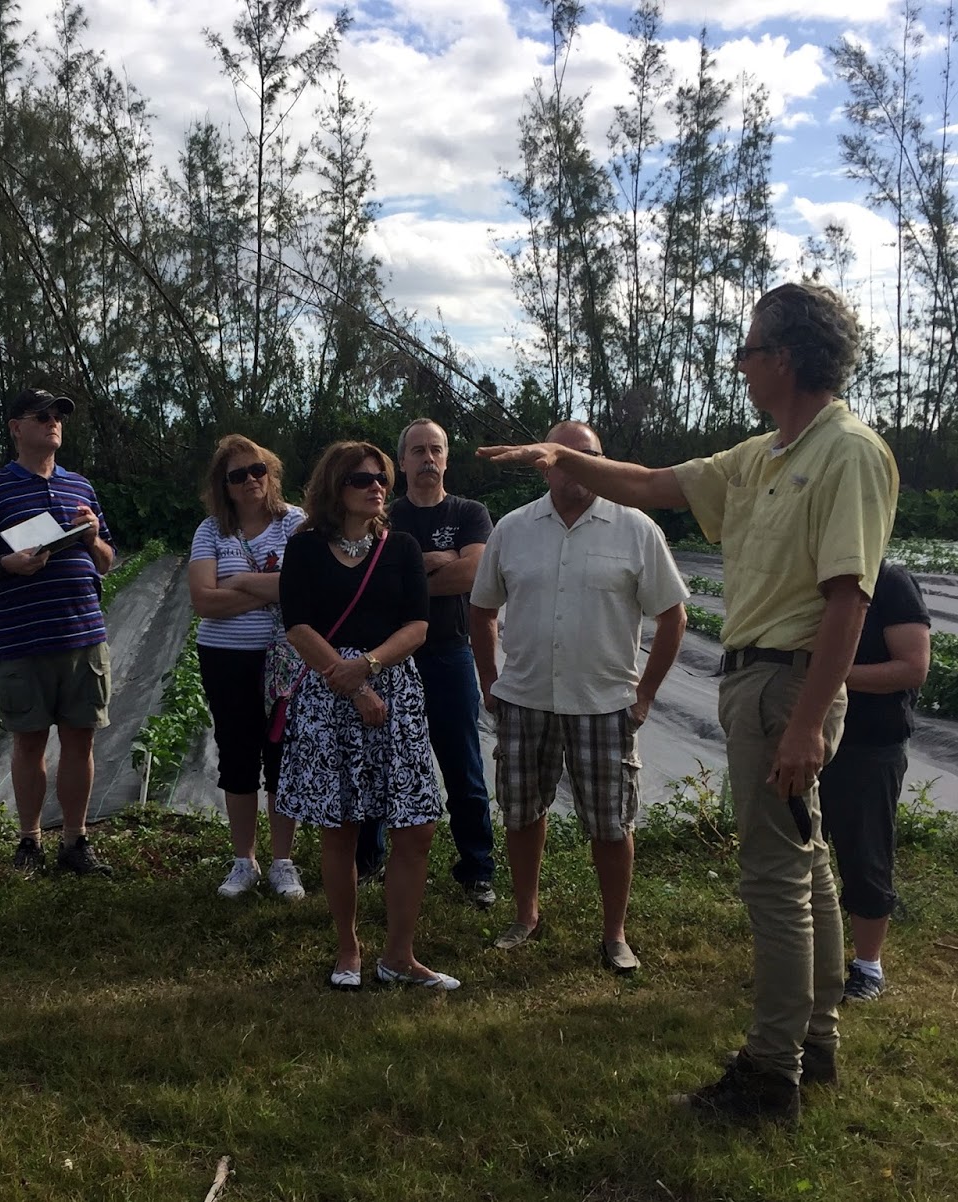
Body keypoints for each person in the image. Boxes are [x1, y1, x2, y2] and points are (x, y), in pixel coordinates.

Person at [479, 280, 897, 1125]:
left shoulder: (846, 451)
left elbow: (849, 599)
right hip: (759, 681)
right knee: (806, 865)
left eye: (747, 351)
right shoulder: (767, 453)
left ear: (781, 358)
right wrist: (561, 459)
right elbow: (652, 482)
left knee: (775, 877)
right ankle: (815, 1044)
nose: (740, 366)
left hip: (788, 684)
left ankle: (769, 1074)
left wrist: (810, 720)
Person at [469, 421, 687, 973]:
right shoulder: (514, 529)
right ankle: (526, 913)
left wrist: (645, 695)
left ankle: (614, 933)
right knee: (521, 813)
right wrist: (488, 678)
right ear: (546, 464)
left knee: (611, 824)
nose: (576, 467)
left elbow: (672, 616)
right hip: (524, 699)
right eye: (564, 457)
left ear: (601, 460)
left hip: (604, 704)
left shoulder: (636, 529)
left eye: (586, 456)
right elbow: (482, 609)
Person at [276, 441, 458, 991]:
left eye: (381, 477)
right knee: (340, 827)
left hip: (394, 692)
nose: (377, 485)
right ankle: (348, 948)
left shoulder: (401, 547)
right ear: (336, 487)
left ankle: (399, 955)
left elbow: (419, 625)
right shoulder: (304, 549)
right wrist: (352, 682)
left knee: (416, 826)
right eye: (362, 478)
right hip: (332, 696)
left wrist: (370, 665)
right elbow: (298, 625)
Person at [0, 386, 117, 876]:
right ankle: (29, 841)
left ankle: (75, 841)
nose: (52, 423)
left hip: (84, 634)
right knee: (28, 742)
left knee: (80, 740)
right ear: (15, 428)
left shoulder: (80, 488)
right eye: (40, 416)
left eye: (58, 416)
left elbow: (107, 561)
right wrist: (7, 564)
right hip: (23, 637)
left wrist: (90, 537)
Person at [359, 418, 497, 907]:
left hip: (449, 652)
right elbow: (372, 582)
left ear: (447, 458)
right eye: (417, 451)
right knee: (377, 760)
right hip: (391, 658)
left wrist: (408, 575)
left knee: (463, 764)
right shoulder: (383, 515)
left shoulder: (470, 512)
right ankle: (368, 861)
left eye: (435, 450)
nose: (427, 459)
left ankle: (477, 869)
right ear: (402, 462)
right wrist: (438, 560)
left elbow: (475, 574)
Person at [188, 435, 307, 899]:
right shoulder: (210, 531)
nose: (251, 480)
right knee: (236, 754)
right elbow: (203, 601)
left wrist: (236, 582)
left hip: (285, 660)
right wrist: (267, 587)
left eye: (258, 470)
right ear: (226, 485)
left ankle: (282, 861)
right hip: (225, 658)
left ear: (271, 473)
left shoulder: (295, 522)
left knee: (281, 755)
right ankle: (244, 861)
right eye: (239, 475)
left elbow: (301, 587)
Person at [819, 558, 930, 1003]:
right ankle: (808, 961)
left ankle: (868, 967)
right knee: (798, 850)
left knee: (865, 855)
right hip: (808, 736)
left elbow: (911, 667)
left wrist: (831, 678)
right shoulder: (812, 581)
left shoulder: (889, 582)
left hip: (867, 744)